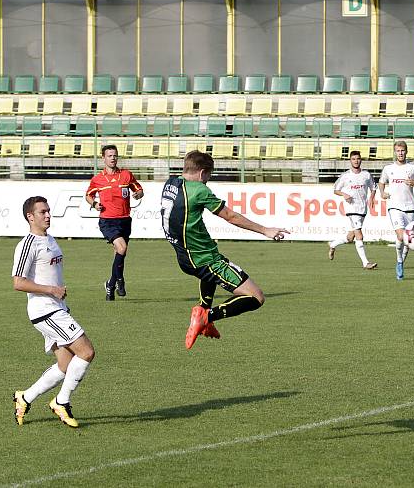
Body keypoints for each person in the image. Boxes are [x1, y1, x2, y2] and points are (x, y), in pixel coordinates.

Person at [161, 150, 289, 350]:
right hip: (205, 259)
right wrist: (265, 230)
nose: (207, 181)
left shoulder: (171, 183)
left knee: (210, 266)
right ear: (203, 172)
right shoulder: (199, 190)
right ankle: (206, 317)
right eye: (209, 176)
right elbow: (230, 216)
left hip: (184, 257)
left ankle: (204, 312)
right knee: (256, 297)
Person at [12, 196, 95, 428]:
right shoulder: (27, 244)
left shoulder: (49, 239)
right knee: (86, 352)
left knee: (66, 365)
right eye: (42, 212)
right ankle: (61, 401)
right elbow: (18, 282)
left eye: (48, 211)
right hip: (45, 310)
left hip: (56, 308)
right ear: (30, 217)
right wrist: (51, 290)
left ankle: (25, 397)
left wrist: (57, 292)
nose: (48, 215)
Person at [85, 144, 144, 301]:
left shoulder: (126, 175)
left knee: (120, 253)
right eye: (110, 156)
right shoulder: (98, 179)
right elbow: (88, 196)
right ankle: (120, 280)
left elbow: (138, 189)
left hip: (125, 220)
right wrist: (95, 204)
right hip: (108, 221)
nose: (113, 158)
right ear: (103, 158)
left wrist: (139, 194)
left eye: (115, 155)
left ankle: (110, 285)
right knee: (122, 248)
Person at [378, 141, 414, 280]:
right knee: (401, 236)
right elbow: (381, 182)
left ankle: (400, 262)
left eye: (402, 150)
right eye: (398, 151)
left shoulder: (413, 167)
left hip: (410, 207)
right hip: (394, 207)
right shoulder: (388, 168)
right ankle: (399, 261)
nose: (400, 153)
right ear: (395, 152)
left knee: (408, 241)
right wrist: (382, 193)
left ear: (406, 151)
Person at [328, 150, 378, 269]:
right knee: (359, 235)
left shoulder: (366, 175)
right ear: (350, 161)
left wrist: (371, 197)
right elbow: (335, 190)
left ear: (361, 160)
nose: (356, 161)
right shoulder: (346, 176)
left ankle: (333, 245)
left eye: (358, 159)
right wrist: (344, 194)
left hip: (362, 208)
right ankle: (366, 263)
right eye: (353, 159)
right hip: (351, 208)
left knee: (350, 237)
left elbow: (374, 187)